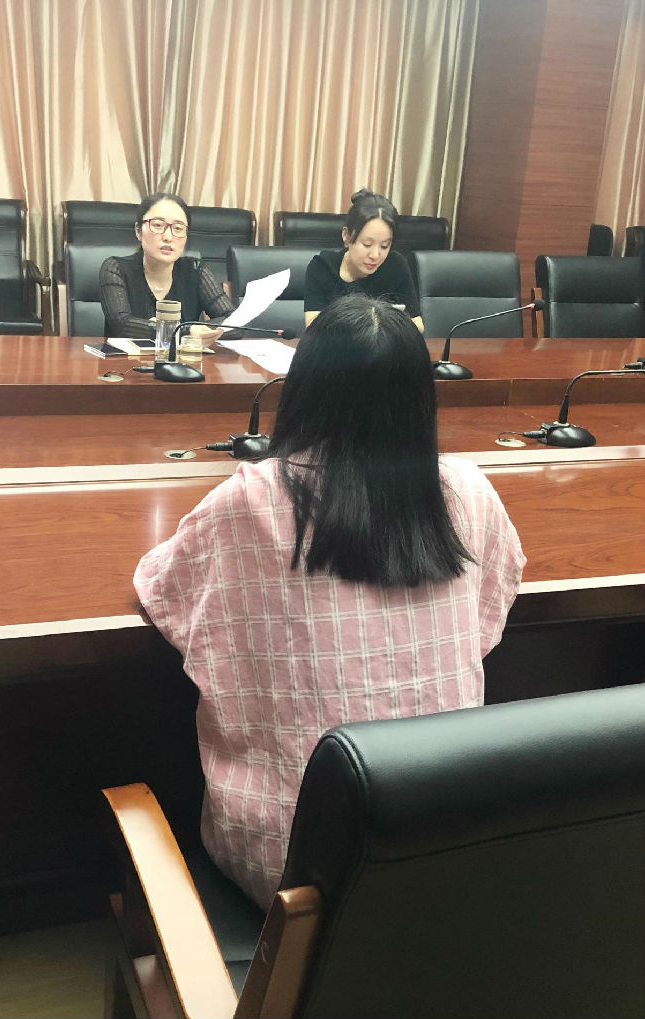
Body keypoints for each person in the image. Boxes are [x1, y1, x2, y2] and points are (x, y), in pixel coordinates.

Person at [133, 293, 525, 910]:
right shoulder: (470, 491)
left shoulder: (252, 499)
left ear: (305, 389)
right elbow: (485, 623)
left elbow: (162, 592)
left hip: (293, 875)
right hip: (438, 849)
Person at [99, 192, 234, 339]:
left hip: (184, 355)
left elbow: (234, 322)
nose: (168, 237)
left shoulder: (195, 270)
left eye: (178, 228)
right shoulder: (115, 269)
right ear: (138, 231)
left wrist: (199, 331)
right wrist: (186, 331)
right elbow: (122, 325)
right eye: (158, 225)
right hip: (124, 355)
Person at [304, 188, 424, 332]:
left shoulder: (396, 266)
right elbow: (313, 328)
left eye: (384, 246)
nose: (375, 255)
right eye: (367, 244)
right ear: (346, 236)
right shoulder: (322, 267)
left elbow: (418, 325)